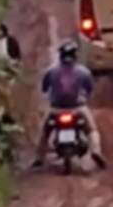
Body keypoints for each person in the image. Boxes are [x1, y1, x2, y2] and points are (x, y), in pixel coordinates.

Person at [31, 40, 106, 170]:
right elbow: (89, 88)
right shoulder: (83, 71)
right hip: (77, 108)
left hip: (56, 109)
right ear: (75, 55)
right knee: (92, 130)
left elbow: (44, 88)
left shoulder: (52, 71)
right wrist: (85, 97)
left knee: (45, 132)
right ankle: (96, 151)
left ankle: (39, 158)